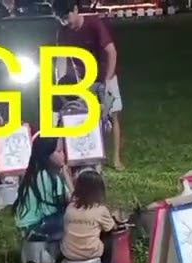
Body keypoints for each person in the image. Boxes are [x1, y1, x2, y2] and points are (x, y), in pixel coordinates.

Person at [54, 0, 124, 169]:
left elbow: (111, 52)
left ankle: (115, 158)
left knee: (112, 115)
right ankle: (87, 154)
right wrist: (59, 83)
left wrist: (107, 81)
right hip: (84, 79)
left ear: (76, 10)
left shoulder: (94, 24)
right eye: (61, 19)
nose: (65, 22)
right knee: (84, 115)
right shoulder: (63, 32)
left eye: (66, 17)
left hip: (106, 74)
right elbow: (61, 59)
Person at [62, 170, 123, 263]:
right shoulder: (100, 210)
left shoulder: (70, 208)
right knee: (108, 235)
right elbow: (112, 227)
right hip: (90, 252)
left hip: (68, 252)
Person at [15, 136, 73, 242]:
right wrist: (67, 177)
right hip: (37, 227)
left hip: (29, 227)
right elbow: (75, 202)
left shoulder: (36, 174)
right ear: (46, 155)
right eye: (59, 151)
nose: (63, 155)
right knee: (78, 219)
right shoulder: (48, 177)